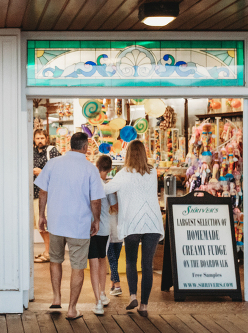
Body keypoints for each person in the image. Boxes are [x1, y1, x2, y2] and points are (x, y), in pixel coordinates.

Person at [36, 132, 104, 320]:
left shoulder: (53, 164)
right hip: (79, 225)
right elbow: (96, 200)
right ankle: (72, 309)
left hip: (56, 223)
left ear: (70, 145)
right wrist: (96, 220)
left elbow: (42, 192)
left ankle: (56, 298)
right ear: (85, 147)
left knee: (55, 260)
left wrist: (41, 215)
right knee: (77, 266)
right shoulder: (90, 169)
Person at [104, 140, 164, 317]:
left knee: (131, 260)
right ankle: (144, 305)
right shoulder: (152, 172)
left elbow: (106, 189)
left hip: (132, 222)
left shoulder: (124, 174)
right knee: (147, 264)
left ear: (128, 154)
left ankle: (133, 296)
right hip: (152, 223)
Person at [89, 155, 117, 315]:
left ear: (96, 165)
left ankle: (98, 302)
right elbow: (115, 207)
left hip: (88, 228)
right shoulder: (107, 187)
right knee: (102, 260)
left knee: (93, 262)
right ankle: (102, 294)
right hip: (103, 228)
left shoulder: (90, 183)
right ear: (110, 169)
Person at [32, 129, 60, 263]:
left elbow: (59, 171)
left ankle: (48, 253)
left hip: (47, 195)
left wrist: (41, 172)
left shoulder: (52, 151)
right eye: (37, 138)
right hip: (34, 193)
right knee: (39, 225)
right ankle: (47, 250)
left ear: (46, 138)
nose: (40, 141)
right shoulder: (31, 152)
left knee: (45, 224)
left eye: (42, 138)